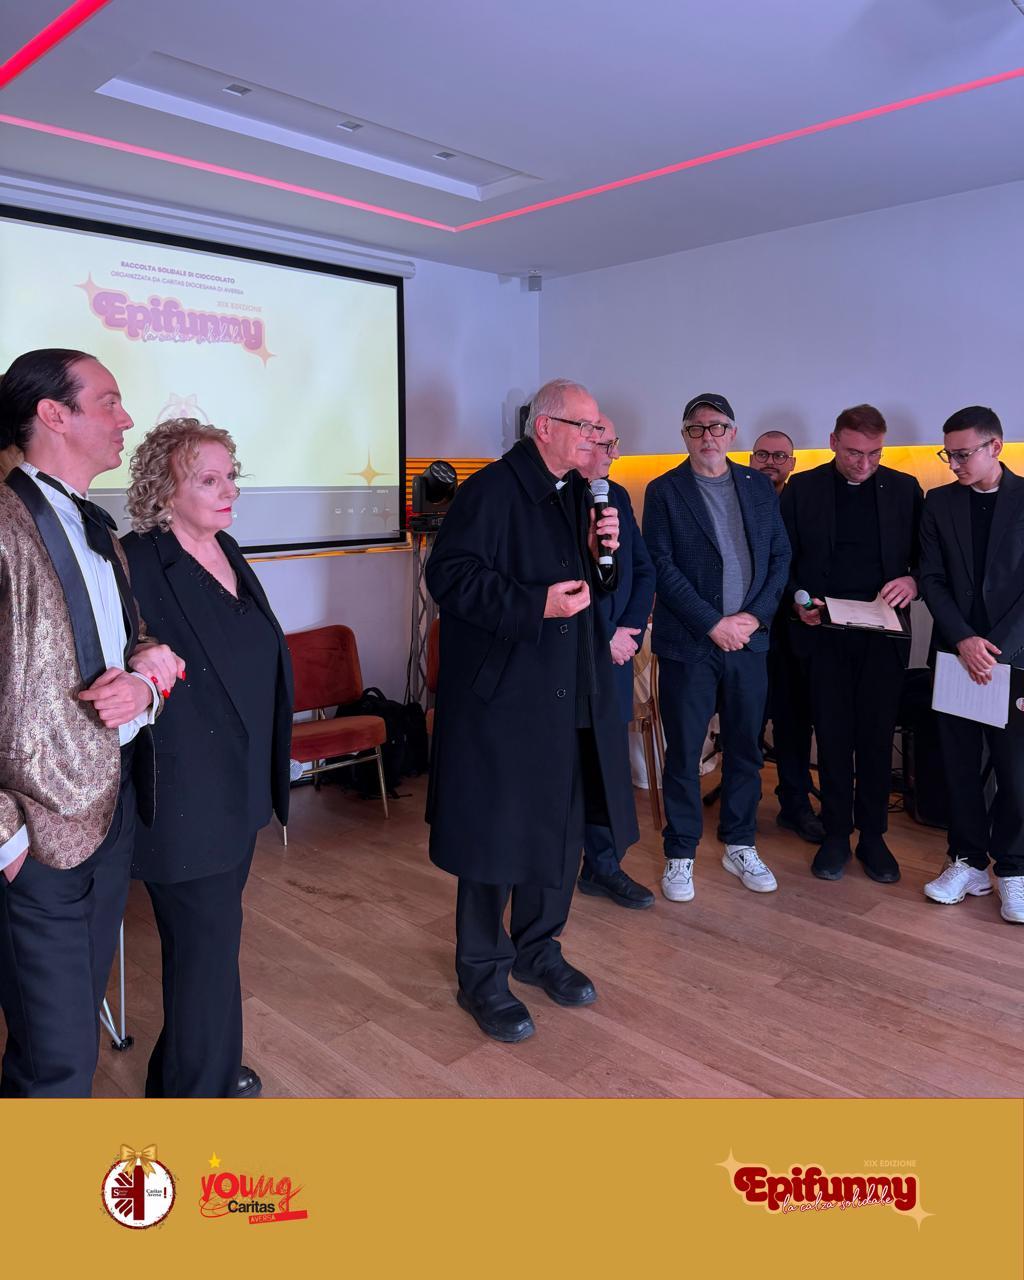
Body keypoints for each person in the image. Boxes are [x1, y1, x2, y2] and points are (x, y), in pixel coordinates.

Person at [425, 378, 635, 1043]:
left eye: (599, 429)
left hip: (571, 690)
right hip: (505, 700)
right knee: (495, 837)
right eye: (586, 427)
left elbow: (590, 589)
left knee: (559, 830)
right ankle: (481, 975)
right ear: (545, 428)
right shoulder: (490, 491)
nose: (596, 438)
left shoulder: (576, 493)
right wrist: (534, 604)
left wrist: (603, 555)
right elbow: (448, 577)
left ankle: (538, 950)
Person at [0, 349, 182, 1097]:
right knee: (56, 1064)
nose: (126, 419)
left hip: (112, 816)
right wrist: (8, 838)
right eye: (109, 401)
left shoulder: (100, 527)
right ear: (53, 414)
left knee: (71, 1037)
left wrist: (146, 680)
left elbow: (127, 646)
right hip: (34, 836)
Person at [121, 418, 294, 1095]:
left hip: (238, 789)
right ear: (165, 490)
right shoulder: (135, 561)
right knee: (203, 949)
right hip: (184, 797)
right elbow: (112, 653)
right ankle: (194, 1097)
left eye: (231, 477)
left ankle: (203, 1067)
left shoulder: (225, 547)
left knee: (213, 944)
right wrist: (139, 654)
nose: (230, 492)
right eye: (209, 480)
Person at [643, 393, 790, 904]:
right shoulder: (664, 491)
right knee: (685, 751)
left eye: (717, 426)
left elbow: (780, 557)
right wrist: (712, 623)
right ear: (685, 435)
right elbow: (661, 565)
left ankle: (740, 843)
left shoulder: (757, 485)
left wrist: (753, 617)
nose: (708, 435)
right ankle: (680, 850)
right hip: (690, 644)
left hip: (749, 641)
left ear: (733, 433)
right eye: (697, 427)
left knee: (746, 748)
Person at [781, 404, 922, 883]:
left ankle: (874, 837)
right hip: (825, 632)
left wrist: (914, 581)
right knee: (833, 735)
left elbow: (926, 561)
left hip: (884, 635)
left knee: (877, 737)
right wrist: (797, 601)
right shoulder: (802, 489)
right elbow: (784, 560)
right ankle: (837, 834)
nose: (865, 464)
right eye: (854, 453)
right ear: (833, 442)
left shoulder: (905, 489)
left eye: (875, 454)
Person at [918, 406, 1024, 924]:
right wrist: (963, 639)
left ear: (995, 447)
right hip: (955, 653)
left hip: (1015, 656)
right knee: (958, 766)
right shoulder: (938, 502)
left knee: (1016, 770)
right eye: (949, 454)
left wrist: (993, 648)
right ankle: (967, 860)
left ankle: (1014, 868)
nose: (954, 463)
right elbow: (931, 578)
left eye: (963, 454)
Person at [576, 415, 656, 909]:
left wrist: (628, 631)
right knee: (572, 767)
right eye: (606, 444)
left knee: (607, 766)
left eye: (614, 444)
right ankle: (558, 864)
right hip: (573, 655)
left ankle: (603, 866)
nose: (615, 454)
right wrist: (604, 634)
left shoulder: (618, 497)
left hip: (618, 654)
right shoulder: (556, 499)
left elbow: (643, 570)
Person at [749, 431, 823, 843]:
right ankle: (742, 807)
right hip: (748, 633)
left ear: (792, 463)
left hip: (796, 632)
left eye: (780, 456)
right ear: (751, 459)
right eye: (763, 454)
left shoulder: (808, 502)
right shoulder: (737, 498)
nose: (770, 462)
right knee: (746, 723)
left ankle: (795, 805)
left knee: (794, 724)